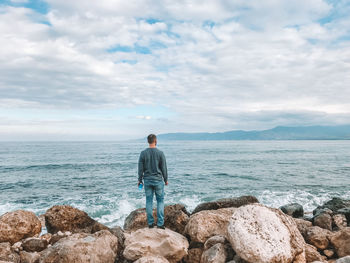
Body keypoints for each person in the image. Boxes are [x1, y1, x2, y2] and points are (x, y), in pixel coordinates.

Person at [138, 134, 168, 229]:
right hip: (158, 180)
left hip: (147, 181)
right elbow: (164, 168)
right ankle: (160, 224)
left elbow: (140, 168)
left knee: (149, 201)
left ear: (148, 141)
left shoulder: (143, 153)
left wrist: (139, 180)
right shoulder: (160, 153)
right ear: (156, 141)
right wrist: (166, 179)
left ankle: (150, 224)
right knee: (160, 201)